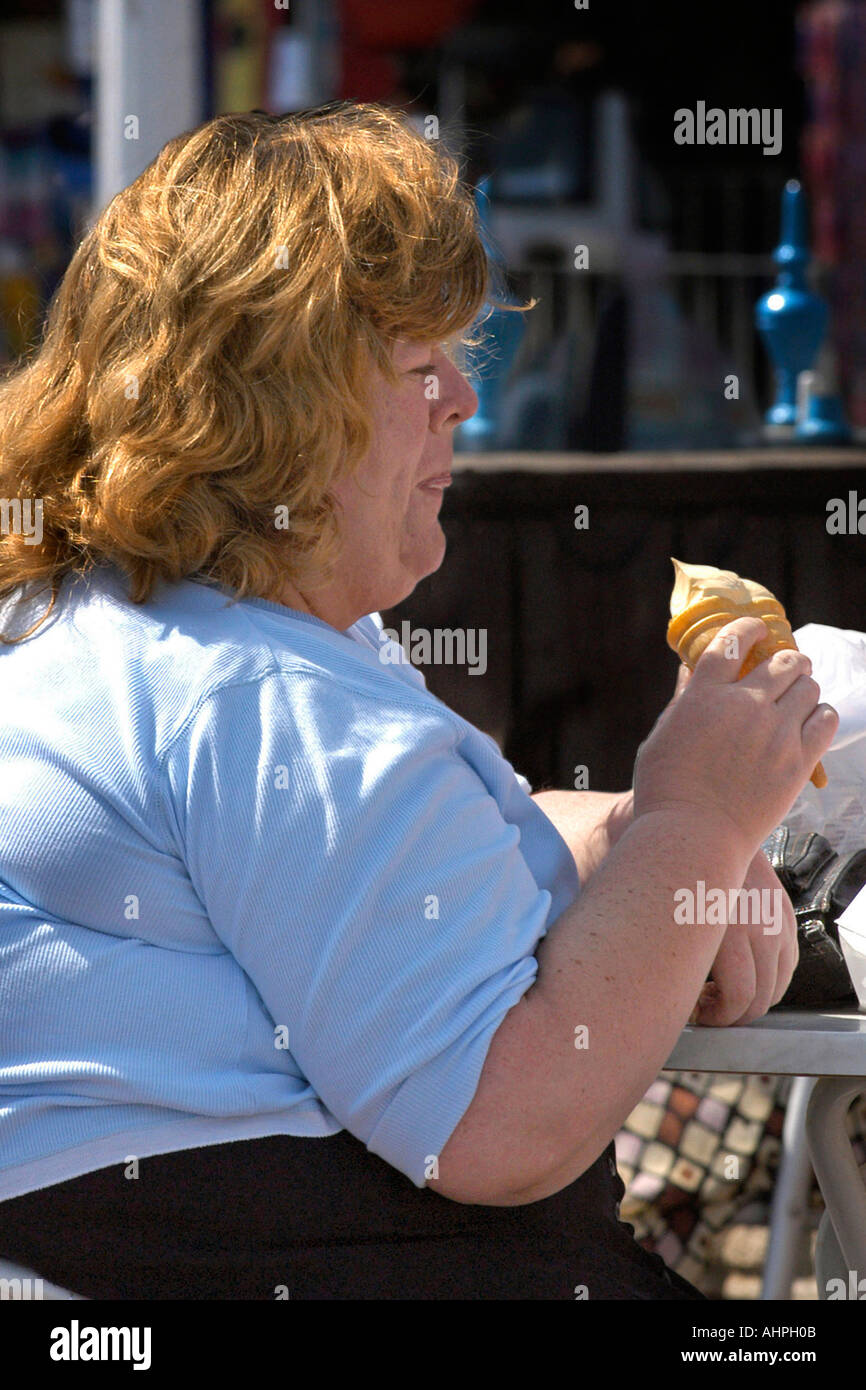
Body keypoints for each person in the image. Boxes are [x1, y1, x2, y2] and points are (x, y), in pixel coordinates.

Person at [0, 102, 837, 1300]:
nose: (462, 398)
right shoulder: (261, 696)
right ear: (277, 409)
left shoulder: (99, 625)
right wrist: (692, 821)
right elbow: (501, 1127)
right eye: (414, 366)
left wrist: (608, 839)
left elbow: (343, 869)